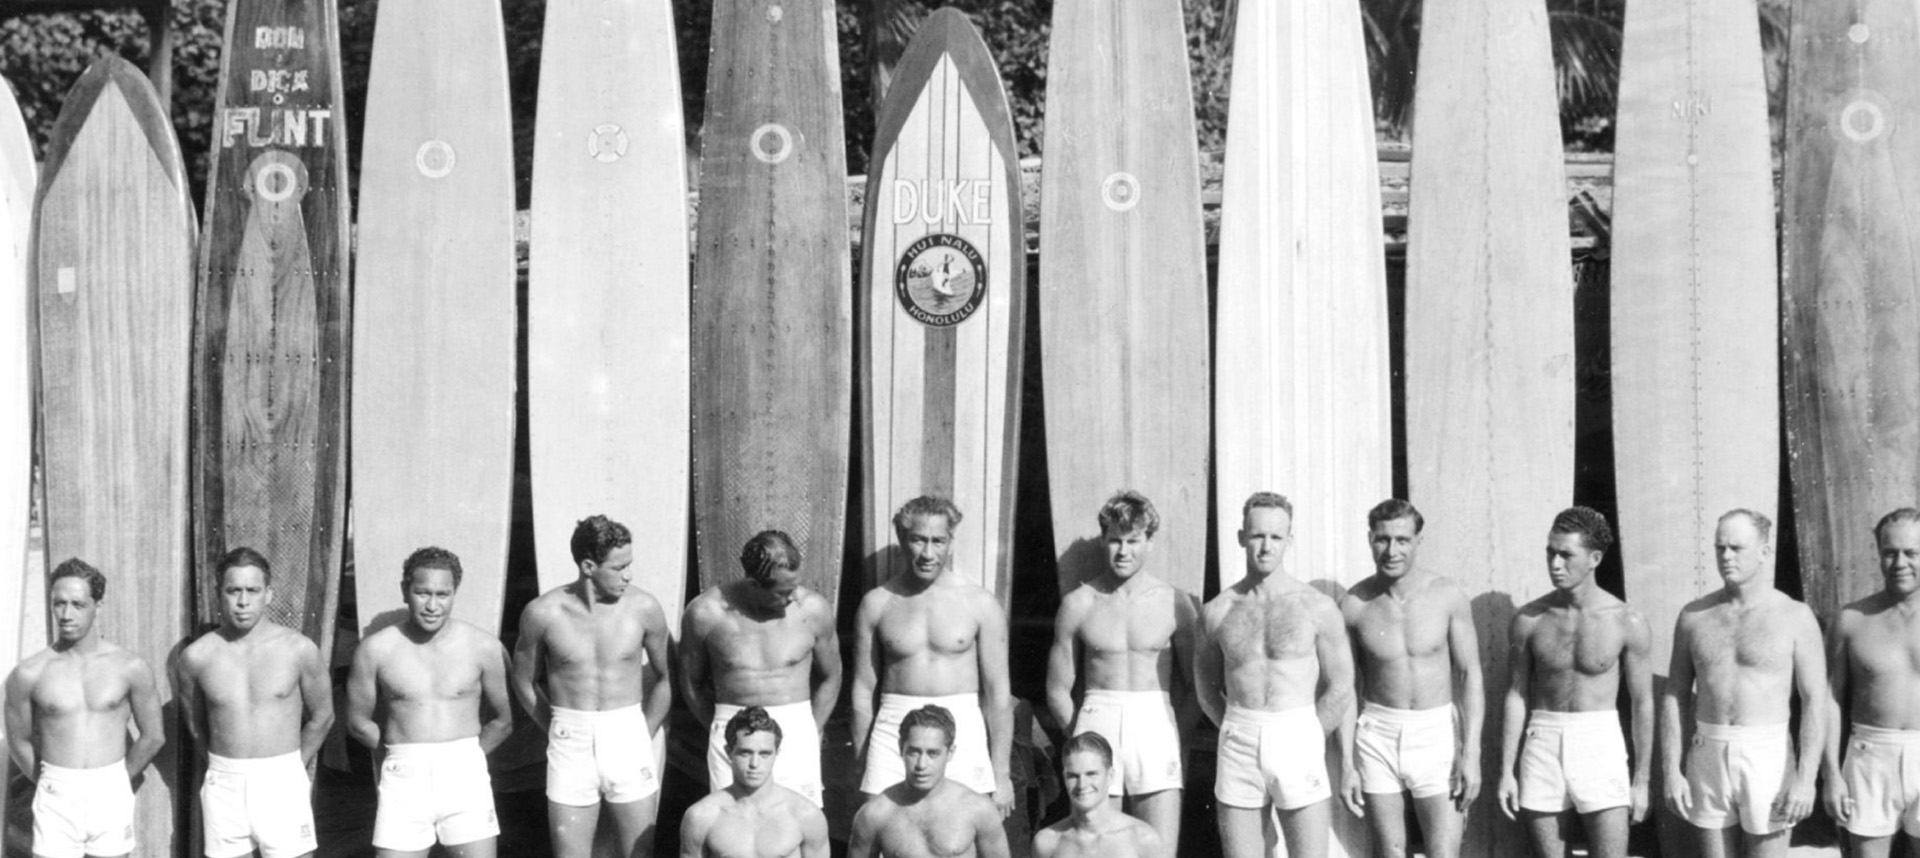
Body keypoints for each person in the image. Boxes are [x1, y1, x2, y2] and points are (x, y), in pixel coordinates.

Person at [1196, 492, 1357, 858]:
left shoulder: (1316, 606)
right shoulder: (1218, 610)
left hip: (1297, 730)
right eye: (1257, 536)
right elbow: (1205, 687)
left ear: (1289, 541)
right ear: (1241, 537)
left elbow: (1342, 685)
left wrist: (1311, 732)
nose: (1265, 547)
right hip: (1240, 735)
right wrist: (1235, 726)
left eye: (1275, 537)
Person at [1663, 509, 1824, 858]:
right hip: (1708, 750)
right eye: (1720, 548)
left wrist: (1806, 780)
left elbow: (1815, 700)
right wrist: (1671, 770)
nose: (1726, 557)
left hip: (1769, 755)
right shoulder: (1694, 616)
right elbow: (1674, 695)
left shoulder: (1795, 616)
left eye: (1737, 548)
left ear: (1764, 552)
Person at [512, 516, 674, 858]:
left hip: (627, 729)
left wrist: (643, 732)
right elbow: (522, 681)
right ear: (588, 565)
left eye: (629, 565)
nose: (628, 575)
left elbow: (668, 677)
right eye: (619, 567)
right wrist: (555, 726)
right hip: (571, 735)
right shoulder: (544, 612)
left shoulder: (643, 608)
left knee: (639, 853)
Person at [1044, 490, 1197, 848]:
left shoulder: (1175, 603)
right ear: (1103, 540)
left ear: (1150, 541)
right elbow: (1057, 689)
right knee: (1096, 846)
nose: (1123, 551)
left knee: (1158, 845)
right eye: (1115, 541)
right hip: (1099, 716)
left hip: (1155, 721)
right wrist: (1081, 739)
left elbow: (1196, 687)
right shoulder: (1079, 603)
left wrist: (1175, 736)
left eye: (1133, 540)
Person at [1497, 507, 1652, 858]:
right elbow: (1516, 695)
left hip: (1600, 739)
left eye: (1566, 555)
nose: (1554, 563)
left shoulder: (1627, 621)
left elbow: (1643, 703)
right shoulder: (1529, 620)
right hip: (1543, 738)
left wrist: (1642, 779)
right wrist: (1506, 770)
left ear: (1594, 558)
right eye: (1550, 552)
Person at [346, 546, 514, 858]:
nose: (432, 606)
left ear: (454, 593)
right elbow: (357, 722)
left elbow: (503, 719)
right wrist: (398, 752)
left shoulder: (483, 646)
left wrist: (468, 755)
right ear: (405, 591)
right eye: (422, 593)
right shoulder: (376, 649)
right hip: (403, 776)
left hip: (464, 773)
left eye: (443, 594)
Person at [1340, 499, 1484, 858]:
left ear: (1419, 540)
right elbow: (1344, 689)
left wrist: (1472, 753)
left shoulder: (1447, 595)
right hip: (1378, 733)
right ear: (1369, 539)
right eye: (1382, 539)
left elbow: (1470, 674)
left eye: (1402, 540)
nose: (1392, 550)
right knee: (1389, 853)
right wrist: (1346, 763)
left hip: (1436, 733)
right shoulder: (1355, 604)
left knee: (1443, 853)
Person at [852, 496, 1013, 815]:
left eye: (937, 541)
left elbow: (998, 695)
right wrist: (860, 768)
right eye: (918, 540)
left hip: (962, 727)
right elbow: (862, 692)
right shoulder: (877, 603)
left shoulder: (979, 603)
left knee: (962, 834)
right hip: (894, 725)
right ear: (902, 540)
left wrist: (1002, 773)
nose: (928, 553)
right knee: (886, 830)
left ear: (951, 542)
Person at [174, 547, 335, 858]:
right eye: (234, 590)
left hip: (282, 776)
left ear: (269, 594)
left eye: (253, 590)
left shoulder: (297, 649)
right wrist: (222, 767)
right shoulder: (197, 656)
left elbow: (323, 716)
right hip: (225, 781)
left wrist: (293, 766)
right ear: (219, 593)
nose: (243, 601)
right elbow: (195, 725)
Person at [4, 558, 166, 858]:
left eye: (78, 605)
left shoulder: (129, 667)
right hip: (56, 791)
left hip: (110, 788)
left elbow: (153, 736)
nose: (66, 614)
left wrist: (117, 780)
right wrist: (51, 783)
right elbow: (18, 741)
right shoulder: (29, 673)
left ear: (98, 606)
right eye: (59, 604)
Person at [681, 529, 841, 805]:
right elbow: (690, 682)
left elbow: (831, 675)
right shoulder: (706, 613)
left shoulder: (812, 609)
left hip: (795, 727)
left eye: (794, 587)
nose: (792, 598)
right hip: (733, 727)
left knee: (798, 823)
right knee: (732, 826)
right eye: (782, 592)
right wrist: (722, 727)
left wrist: (812, 728)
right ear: (754, 584)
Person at [1824, 507, 1920, 858]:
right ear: (1878, 553)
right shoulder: (1851, 620)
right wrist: (1831, 774)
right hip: (1870, 756)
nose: (1900, 563)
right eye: (1890, 552)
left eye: (1911, 553)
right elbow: (1829, 700)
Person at [848, 704, 1012, 858]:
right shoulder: (874, 814)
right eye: (914, 752)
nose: (921, 764)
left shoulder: (978, 809)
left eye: (932, 753)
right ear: (901, 748)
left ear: (950, 753)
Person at [677, 706, 830, 858]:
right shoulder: (702, 817)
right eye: (745, 753)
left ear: (777, 753)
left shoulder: (805, 815)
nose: (754, 764)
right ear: (729, 752)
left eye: (764, 754)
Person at [1030, 732, 1164, 858]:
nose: (1082, 784)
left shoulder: (1142, 839)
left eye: (1091, 774)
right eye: (1073, 776)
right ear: (1064, 778)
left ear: (1110, 776)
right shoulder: (1048, 842)